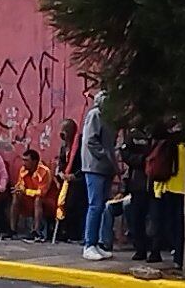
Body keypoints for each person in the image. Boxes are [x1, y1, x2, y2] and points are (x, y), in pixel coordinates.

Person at [81, 91, 118, 261]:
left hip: (106, 168)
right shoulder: (95, 115)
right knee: (95, 205)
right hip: (95, 167)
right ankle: (89, 244)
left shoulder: (110, 120)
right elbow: (91, 141)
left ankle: (96, 243)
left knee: (102, 205)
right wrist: (106, 156)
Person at [149, 127, 185, 268]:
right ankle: (179, 256)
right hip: (183, 189)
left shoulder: (166, 144)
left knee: (163, 221)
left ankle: (158, 251)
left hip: (166, 187)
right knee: (180, 225)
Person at [118, 127, 154, 260]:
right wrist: (143, 160)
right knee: (137, 218)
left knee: (154, 218)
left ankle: (154, 250)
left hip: (155, 181)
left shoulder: (156, 131)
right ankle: (141, 249)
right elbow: (125, 154)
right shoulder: (134, 134)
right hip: (139, 182)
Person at [6, 149, 54, 242]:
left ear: (34, 161)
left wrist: (25, 191)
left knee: (38, 199)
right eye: (23, 160)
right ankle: (12, 230)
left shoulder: (44, 171)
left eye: (26, 160)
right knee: (16, 195)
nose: (24, 163)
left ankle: (37, 232)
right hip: (29, 200)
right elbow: (21, 185)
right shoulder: (23, 170)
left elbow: (42, 192)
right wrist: (18, 190)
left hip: (47, 201)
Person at [55, 118, 85, 242]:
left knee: (73, 203)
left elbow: (84, 163)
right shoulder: (64, 147)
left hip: (78, 179)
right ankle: (63, 230)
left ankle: (74, 233)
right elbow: (61, 162)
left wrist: (75, 175)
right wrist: (60, 173)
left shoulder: (80, 144)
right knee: (62, 203)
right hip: (65, 179)